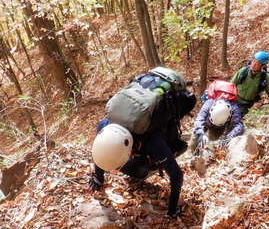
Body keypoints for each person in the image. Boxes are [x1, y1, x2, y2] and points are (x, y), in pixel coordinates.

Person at [90, 67, 196, 217]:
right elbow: (103, 152)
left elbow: (176, 175)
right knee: (133, 168)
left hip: (157, 118)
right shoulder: (105, 127)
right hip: (142, 100)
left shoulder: (151, 141)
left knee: (138, 170)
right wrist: (98, 178)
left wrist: (172, 210)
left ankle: (169, 145)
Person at [189, 80, 244, 153]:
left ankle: (205, 156)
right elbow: (199, 119)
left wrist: (228, 137)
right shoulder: (209, 103)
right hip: (206, 122)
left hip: (218, 128)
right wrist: (201, 133)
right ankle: (193, 154)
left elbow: (239, 125)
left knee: (212, 144)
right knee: (194, 140)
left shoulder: (234, 108)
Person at [231, 50, 269, 117]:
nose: (253, 64)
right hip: (234, 100)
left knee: (236, 118)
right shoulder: (243, 71)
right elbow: (231, 85)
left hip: (246, 105)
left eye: (257, 63)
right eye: (253, 61)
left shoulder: (264, 77)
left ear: (262, 66)